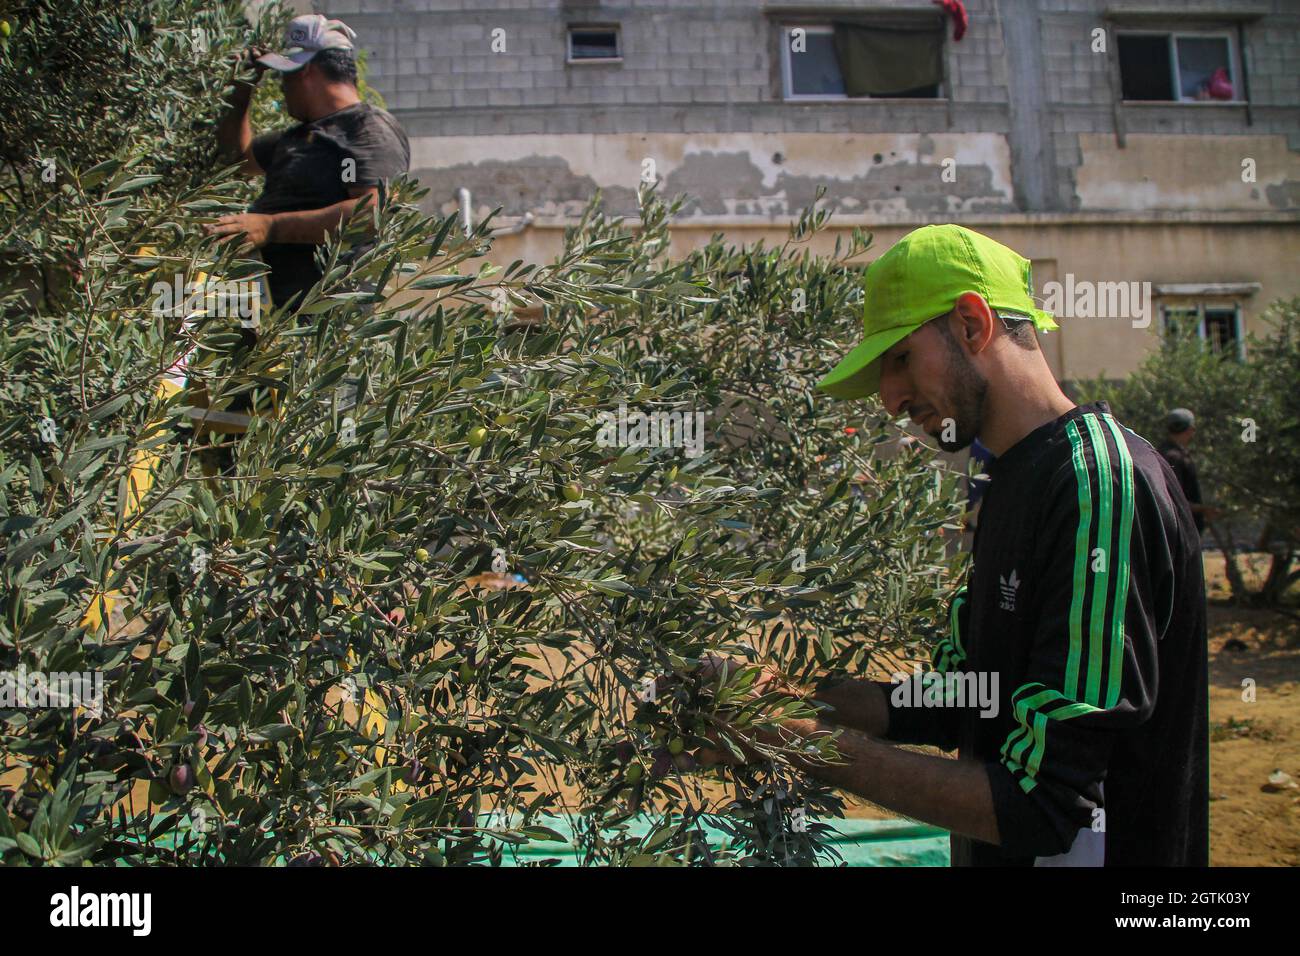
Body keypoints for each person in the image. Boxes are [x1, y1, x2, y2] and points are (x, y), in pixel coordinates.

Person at [702, 225, 1209, 866]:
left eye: (901, 359)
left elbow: (1045, 800)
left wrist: (793, 740)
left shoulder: (1097, 481)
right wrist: (788, 701)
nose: (890, 398)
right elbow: (971, 697)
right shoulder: (1012, 480)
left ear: (972, 323)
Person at [209, 14, 410, 311]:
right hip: (276, 318)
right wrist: (241, 92)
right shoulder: (301, 135)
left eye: (284, 75)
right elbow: (237, 160)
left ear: (306, 72)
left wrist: (270, 227)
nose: (281, 87)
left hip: (322, 324)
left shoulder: (367, 129)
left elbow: (371, 213)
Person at [1158, 408, 1218, 534]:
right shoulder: (1175, 458)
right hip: (1181, 530)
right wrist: (1203, 510)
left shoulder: (1160, 452)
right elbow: (1173, 498)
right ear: (1190, 429)